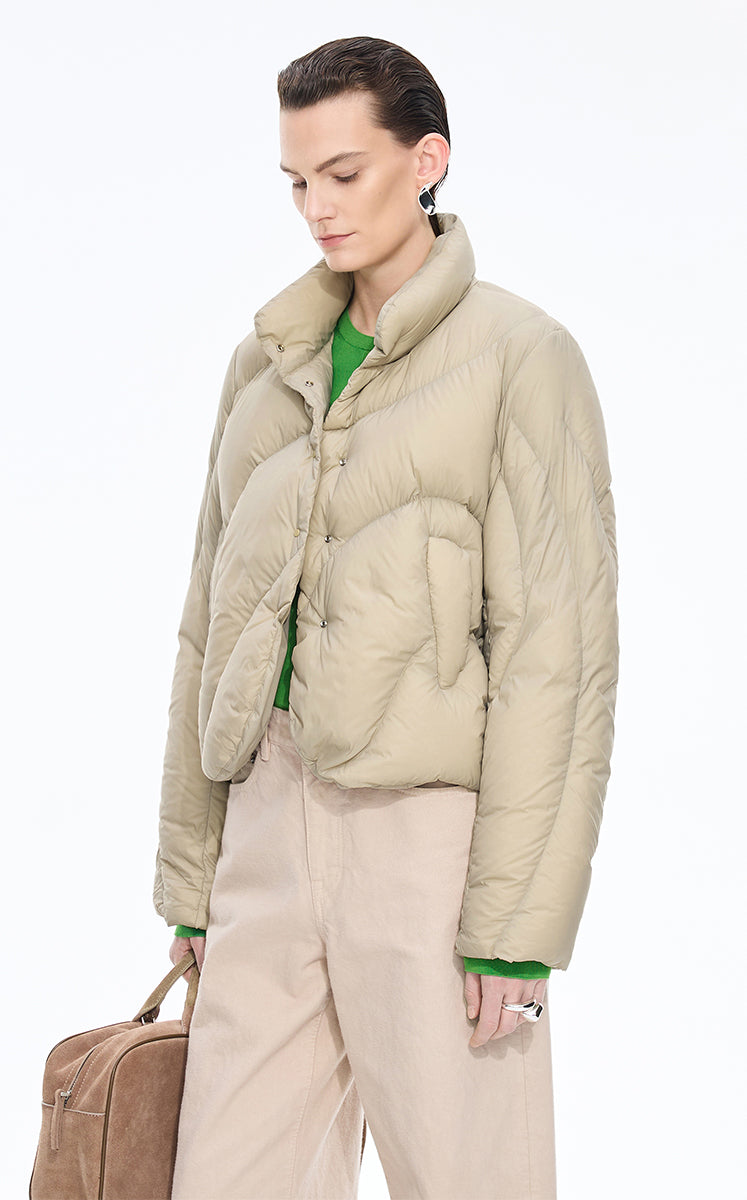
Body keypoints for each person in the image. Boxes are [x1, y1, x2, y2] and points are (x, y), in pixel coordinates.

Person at [154, 34, 619, 1200]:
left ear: (427, 161)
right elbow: (208, 630)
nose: (317, 206)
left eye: (344, 173)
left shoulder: (522, 356)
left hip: (431, 846)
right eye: (297, 180)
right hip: (265, 816)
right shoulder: (264, 365)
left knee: (469, 1180)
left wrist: (515, 926)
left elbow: (557, 656)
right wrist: (193, 881)